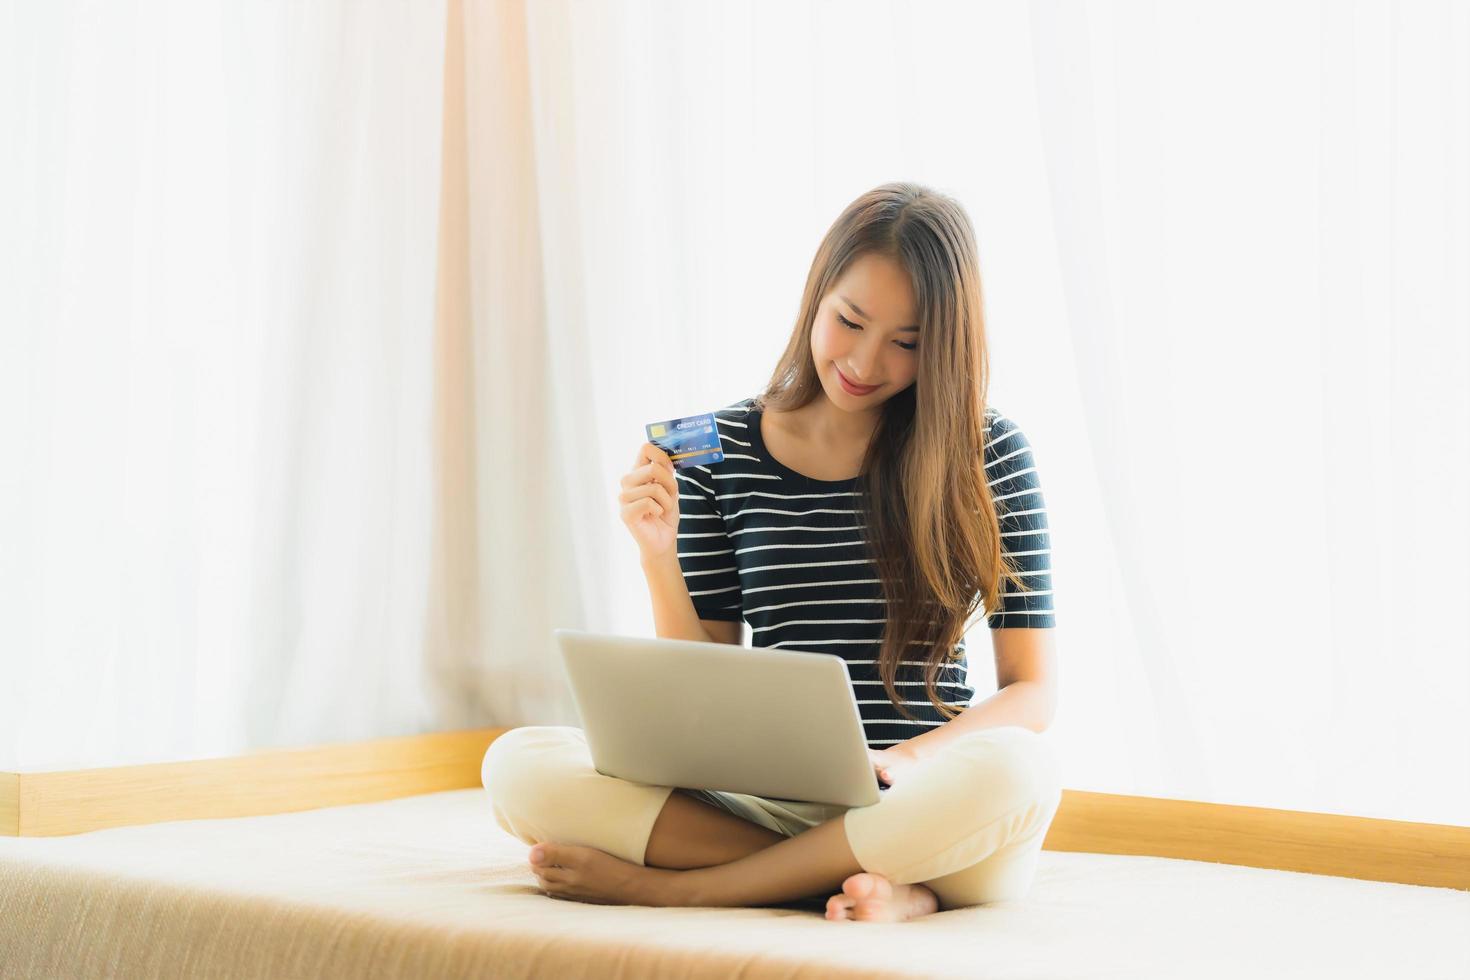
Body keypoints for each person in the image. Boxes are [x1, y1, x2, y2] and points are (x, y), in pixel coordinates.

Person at [482, 181, 1061, 922]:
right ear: (816, 297)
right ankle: (881, 885)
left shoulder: (990, 453)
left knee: (1021, 773)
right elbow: (698, 689)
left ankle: (692, 884)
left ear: (943, 344)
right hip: (763, 806)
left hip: (926, 797)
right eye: (848, 321)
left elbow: (1033, 692)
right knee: (518, 766)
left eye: (906, 343)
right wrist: (657, 555)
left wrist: (915, 759)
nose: (863, 360)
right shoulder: (721, 451)